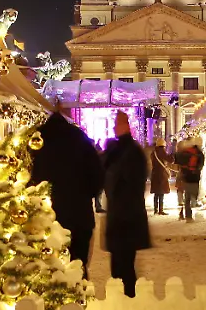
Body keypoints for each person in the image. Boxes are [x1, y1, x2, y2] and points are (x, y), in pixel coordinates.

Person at [30, 108, 103, 279]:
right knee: (78, 262)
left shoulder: (37, 140)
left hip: (45, 215)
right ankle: (80, 296)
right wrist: (86, 194)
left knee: (47, 264)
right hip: (79, 212)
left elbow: (28, 175)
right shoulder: (79, 138)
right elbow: (98, 175)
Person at [103, 111, 150, 297]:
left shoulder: (126, 151)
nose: (114, 128)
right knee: (122, 261)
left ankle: (127, 296)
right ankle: (126, 295)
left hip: (125, 215)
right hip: (125, 214)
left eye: (116, 125)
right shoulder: (126, 150)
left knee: (123, 263)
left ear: (124, 127)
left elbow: (128, 180)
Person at [174, 140, 204, 221]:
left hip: (186, 178)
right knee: (194, 195)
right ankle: (193, 204)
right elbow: (201, 166)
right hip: (195, 178)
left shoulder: (185, 153)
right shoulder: (199, 154)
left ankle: (188, 216)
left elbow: (176, 158)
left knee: (187, 198)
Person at [148, 142, 173, 215]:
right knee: (161, 192)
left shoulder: (153, 153)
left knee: (156, 193)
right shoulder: (162, 151)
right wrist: (171, 155)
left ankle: (155, 210)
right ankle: (160, 210)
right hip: (161, 175)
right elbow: (170, 160)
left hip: (155, 174)